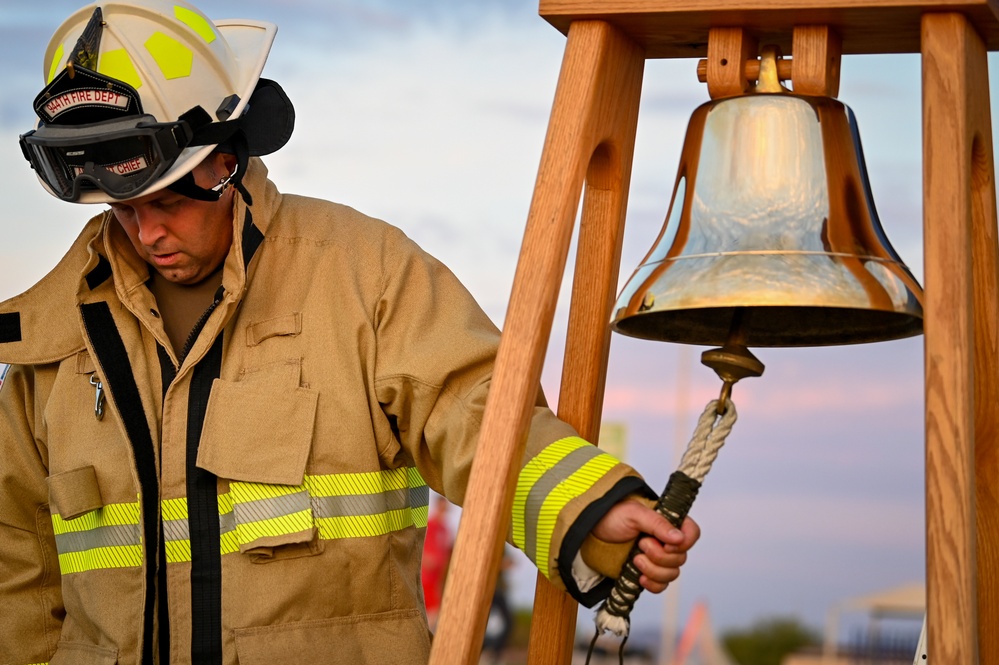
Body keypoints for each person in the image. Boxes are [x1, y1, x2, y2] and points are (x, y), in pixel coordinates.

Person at [0, 2, 700, 664]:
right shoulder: (46, 339)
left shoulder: (364, 276)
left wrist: (590, 509)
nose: (148, 231)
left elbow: (472, 409)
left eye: (168, 199)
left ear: (228, 158)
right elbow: (16, 569)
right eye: (124, 208)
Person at [421, 496, 454, 630]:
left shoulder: (446, 530)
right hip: (424, 576)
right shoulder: (429, 524)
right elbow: (418, 544)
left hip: (437, 578)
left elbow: (446, 553)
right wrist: (425, 559)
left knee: (435, 611)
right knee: (428, 610)